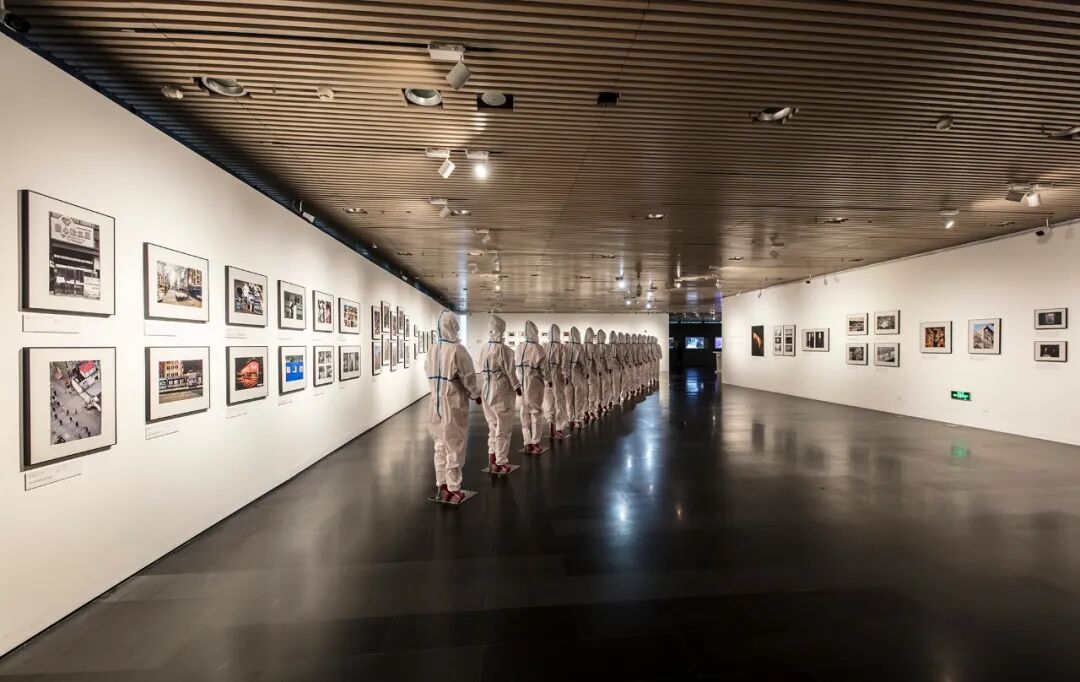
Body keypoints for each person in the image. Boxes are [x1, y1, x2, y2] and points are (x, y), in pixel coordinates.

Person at [426, 310, 481, 503]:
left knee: (440, 444)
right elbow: (468, 375)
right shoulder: (457, 349)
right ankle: (453, 487)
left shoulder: (433, 349)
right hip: (453, 401)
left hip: (436, 402)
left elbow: (427, 370)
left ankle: (441, 484)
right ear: (454, 326)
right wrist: (475, 394)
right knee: (455, 443)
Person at [477, 315, 520, 474]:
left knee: (493, 426)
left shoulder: (484, 347)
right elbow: (510, 371)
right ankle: (501, 461)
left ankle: (492, 459)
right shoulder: (504, 349)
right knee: (503, 427)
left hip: (487, 388)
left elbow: (480, 366)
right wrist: (517, 386)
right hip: (501, 392)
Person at [516, 320, 549, 453]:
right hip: (534, 382)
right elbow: (544, 369)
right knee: (535, 412)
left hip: (521, 381)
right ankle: (536, 442)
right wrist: (548, 380)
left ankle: (527, 441)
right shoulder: (538, 348)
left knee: (524, 412)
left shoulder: (519, 347)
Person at [542, 322, 570, 439]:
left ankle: (551, 426)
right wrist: (566, 376)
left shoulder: (544, 346)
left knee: (548, 401)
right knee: (559, 401)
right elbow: (564, 365)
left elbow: (542, 363)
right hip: (557, 376)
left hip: (546, 377)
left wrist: (545, 377)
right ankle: (559, 428)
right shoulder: (562, 347)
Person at [566, 326, 588, 427]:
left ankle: (570, 419)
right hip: (577, 374)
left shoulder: (566, 346)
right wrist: (586, 372)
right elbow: (583, 362)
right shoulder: (579, 347)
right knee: (579, 397)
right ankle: (578, 418)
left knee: (569, 398)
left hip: (567, 375)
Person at [584, 327, 600, 421]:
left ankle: (585, 411)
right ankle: (591, 410)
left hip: (582, 374)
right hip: (592, 372)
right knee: (592, 392)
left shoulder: (581, 346)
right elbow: (597, 361)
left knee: (584, 393)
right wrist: (599, 371)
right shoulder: (594, 347)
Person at [597, 329, 612, 413]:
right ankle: (604, 404)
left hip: (596, 369)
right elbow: (607, 358)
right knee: (606, 386)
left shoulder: (595, 347)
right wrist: (609, 367)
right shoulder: (606, 347)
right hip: (604, 368)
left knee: (598, 387)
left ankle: (599, 404)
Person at [609, 330, 622, 407]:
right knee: (616, 384)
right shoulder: (617, 346)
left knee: (610, 384)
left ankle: (610, 400)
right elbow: (619, 357)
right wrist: (622, 364)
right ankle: (616, 399)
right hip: (616, 367)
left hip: (608, 367)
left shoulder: (607, 346)